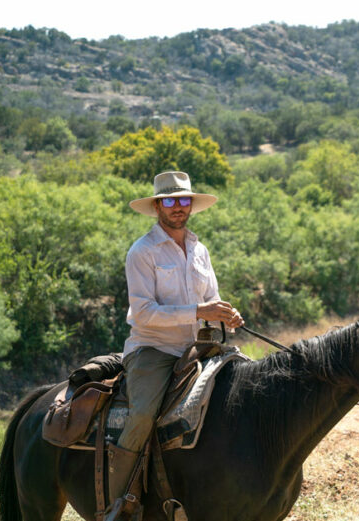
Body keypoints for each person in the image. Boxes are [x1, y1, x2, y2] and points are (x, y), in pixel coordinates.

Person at [106, 171, 244, 520]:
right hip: (153, 349)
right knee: (142, 414)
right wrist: (200, 311)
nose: (178, 207)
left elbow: (211, 297)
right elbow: (144, 313)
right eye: (170, 201)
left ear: (191, 205)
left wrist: (225, 312)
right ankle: (118, 502)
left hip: (196, 346)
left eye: (184, 200)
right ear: (157, 207)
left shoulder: (199, 249)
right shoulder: (142, 252)